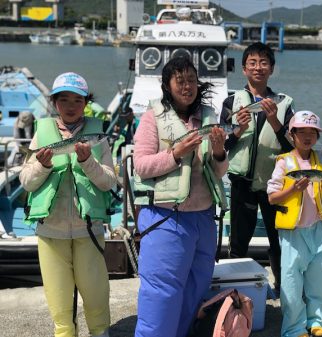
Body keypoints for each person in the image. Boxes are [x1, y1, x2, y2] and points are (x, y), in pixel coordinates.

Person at [133, 56, 228, 337]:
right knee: (161, 295)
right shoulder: (153, 117)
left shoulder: (209, 117)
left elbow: (219, 171)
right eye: (180, 80)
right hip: (165, 218)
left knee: (196, 287)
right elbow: (142, 166)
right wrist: (176, 154)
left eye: (191, 80)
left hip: (203, 218)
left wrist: (221, 152)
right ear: (167, 85)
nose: (187, 86)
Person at [20, 72, 116, 337]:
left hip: (89, 231)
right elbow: (27, 182)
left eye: (78, 100)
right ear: (54, 103)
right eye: (64, 100)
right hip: (51, 232)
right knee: (60, 307)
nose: (71, 106)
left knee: (97, 298)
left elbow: (109, 182)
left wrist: (88, 162)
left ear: (86, 102)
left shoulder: (98, 137)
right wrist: (43, 163)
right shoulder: (43, 133)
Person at [220, 42, 295, 291]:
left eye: (264, 63)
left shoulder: (283, 104)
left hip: (275, 183)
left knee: (278, 238)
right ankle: (236, 291)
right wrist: (238, 130)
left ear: (272, 68)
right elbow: (222, 147)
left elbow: (292, 148)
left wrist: (275, 120)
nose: (258, 68)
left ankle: (283, 287)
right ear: (243, 69)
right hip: (242, 183)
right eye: (252, 63)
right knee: (239, 239)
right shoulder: (232, 103)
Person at [267, 110, 322, 337]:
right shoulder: (284, 163)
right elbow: (272, 197)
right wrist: (292, 189)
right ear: (291, 135)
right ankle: (294, 328)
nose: (307, 137)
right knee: (291, 281)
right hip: (292, 233)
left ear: (317, 136)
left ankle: (317, 321)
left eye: (312, 133)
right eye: (301, 132)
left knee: (321, 276)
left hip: (318, 229)